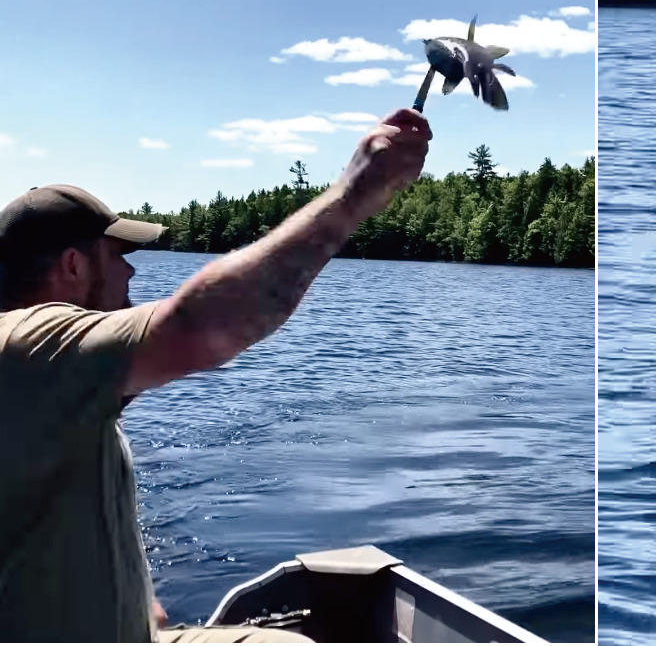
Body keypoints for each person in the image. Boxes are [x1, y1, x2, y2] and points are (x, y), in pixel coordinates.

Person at [0, 107, 432, 642]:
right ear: (72, 266)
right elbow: (200, 326)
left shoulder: (47, 375)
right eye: (117, 255)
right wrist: (356, 193)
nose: (132, 270)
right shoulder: (30, 343)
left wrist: (136, 597)